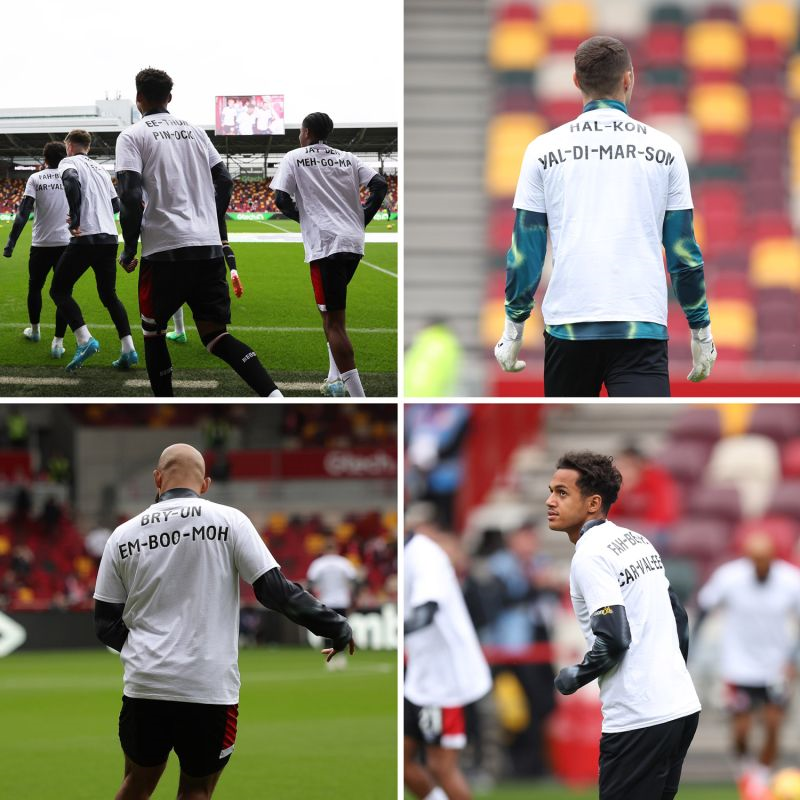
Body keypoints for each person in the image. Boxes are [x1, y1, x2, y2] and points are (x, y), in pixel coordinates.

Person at [93, 443, 354, 800]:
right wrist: (335, 625)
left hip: (146, 685)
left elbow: (105, 622)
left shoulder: (121, 536)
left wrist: (145, 649)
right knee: (197, 790)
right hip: (208, 685)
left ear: (157, 479)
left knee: (137, 783)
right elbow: (274, 591)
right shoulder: (229, 520)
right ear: (205, 484)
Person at [494, 36, 716, 397]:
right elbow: (683, 254)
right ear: (628, 79)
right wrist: (700, 329)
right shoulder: (666, 150)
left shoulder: (542, 150)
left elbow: (525, 250)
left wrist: (514, 327)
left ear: (576, 82)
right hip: (639, 326)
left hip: (568, 325)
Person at [115, 68, 281, 397]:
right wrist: (208, 219)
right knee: (216, 336)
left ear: (138, 99)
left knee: (153, 332)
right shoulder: (196, 132)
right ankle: (274, 395)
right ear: (170, 98)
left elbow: (131, 196)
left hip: (164, 252)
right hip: (206, 250)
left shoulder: (132, 136)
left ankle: (165, 404)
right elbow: (225, 180)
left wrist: (129, 249)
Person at [547, 450, 700, 800]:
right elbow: (679, 617)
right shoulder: (635, 540)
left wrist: (577, 676)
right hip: (680, 707)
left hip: (639, 717)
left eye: (562, 492)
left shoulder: (590, 555)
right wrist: (670, 677)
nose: (550, 501)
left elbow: (615, 639)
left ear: (593, 503)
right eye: (551, 490)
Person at [271, 112, 387, 398]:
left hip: (325, 246)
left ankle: (358, 396)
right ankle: (334, 379)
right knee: (329, 312)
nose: (299, 135)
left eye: (300, 130)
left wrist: (308, 219)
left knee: (335, 323)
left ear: (307, 132)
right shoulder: (347, 157)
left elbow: (281, 200)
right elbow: (380, 184)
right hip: (352, 243)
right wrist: (362, 218)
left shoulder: (294, 157)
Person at [696, 532, 800, 785]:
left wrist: (793, 659)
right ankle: (746, 767)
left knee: (774, 724)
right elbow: (705, 606)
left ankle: (760, 779)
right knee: (741, 730)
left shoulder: (790, 580)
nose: (760, 566)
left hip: (775, 667)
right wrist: (693, 646)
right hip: (738, 667)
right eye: (756, 560)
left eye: (765, 560)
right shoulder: (729, 577)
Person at [404, 521, 492, 800]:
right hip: (420, 674)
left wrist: (396, 631)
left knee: (441, 767)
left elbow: (426, 612)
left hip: (443, 680)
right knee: (399, 760)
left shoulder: (425, 556)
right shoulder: (407, 554)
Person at [49, 130, 137, 372]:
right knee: (109, 295)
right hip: (109, 238)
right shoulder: (100, 169)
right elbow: (116, 205)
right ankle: (128, 349)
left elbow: (70, 181)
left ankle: (84, 339)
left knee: (59, 290)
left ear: (69, 145)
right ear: (88, 146)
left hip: (86, 237)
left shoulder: (68, 162)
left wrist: (76, 217)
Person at [3, 142, 71, 358]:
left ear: (45, 159)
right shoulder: (71, 177)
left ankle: (34, 331)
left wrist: (11, 241)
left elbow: (23, 212)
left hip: (41, 244)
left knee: (35, 288)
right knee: (64, 293)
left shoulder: (35, 178)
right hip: (66, 244)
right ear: (65, 157)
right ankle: (58, 344)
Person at [307, 539, 359, 670]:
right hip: (341, 601)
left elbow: (310, 583)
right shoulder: (343, 562)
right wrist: (353, 597)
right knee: (341, 630)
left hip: (325, 601)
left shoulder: (318, 564)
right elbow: (354, 580)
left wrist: (313, 598)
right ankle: (341, 658)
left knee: (326, 631)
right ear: (336, 549)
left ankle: (329, 659)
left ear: (324, 550)